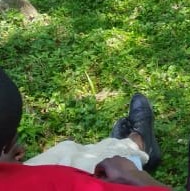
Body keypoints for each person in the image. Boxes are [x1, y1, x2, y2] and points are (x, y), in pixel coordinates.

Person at [0, 68, 168, 189]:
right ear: (6, 146)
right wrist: (135, 176)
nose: (21, 149)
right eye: (13, 137)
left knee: (66, 148)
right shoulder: (57, 182)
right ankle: (137, 144)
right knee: (97, 158)